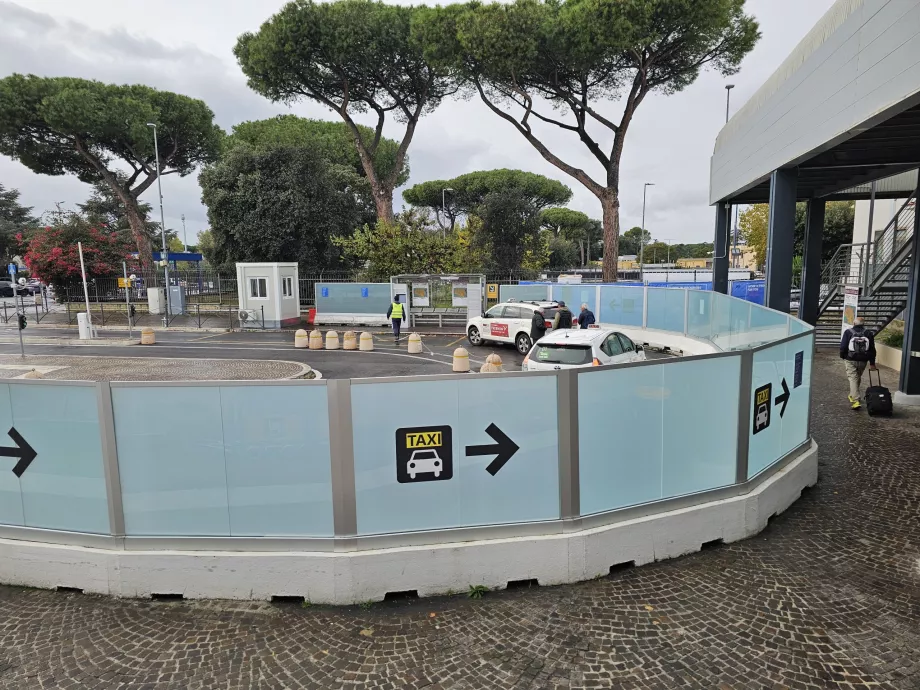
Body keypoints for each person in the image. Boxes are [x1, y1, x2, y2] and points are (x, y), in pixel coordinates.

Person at [840, 316, 877, 410]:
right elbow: (872, 349)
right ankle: (852, 394)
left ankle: (856, 400)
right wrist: (872, 363)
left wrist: (843, 356)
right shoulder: (868, 333)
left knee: (853, 378)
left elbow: (843, 346)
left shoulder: (848, 332)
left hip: (850, 359)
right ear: (863, 324)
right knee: (857, 377)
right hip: (863, 360)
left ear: (854, 323)